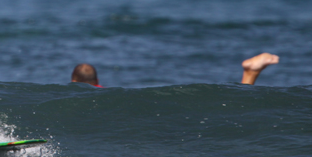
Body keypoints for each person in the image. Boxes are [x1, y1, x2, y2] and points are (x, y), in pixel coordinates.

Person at [71, 52, 280, 87]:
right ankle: (251, 74)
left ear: (74, 81)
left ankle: (251, 74)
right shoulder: (107, 93)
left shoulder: (73, 99)